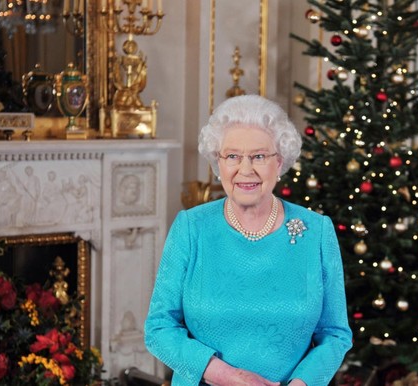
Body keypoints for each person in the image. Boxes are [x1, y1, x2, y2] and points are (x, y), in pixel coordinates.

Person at [144, 95, 353, 386]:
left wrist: (301, 384)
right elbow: (159, 328)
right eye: (232, 156)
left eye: (258, 156)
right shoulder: (191, 228)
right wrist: (228, 376)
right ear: (218, 163)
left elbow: (335, 334)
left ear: (279, 163)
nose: (245, 169)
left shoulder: (316, 232)